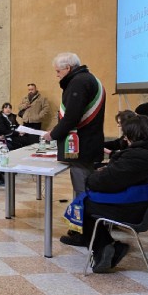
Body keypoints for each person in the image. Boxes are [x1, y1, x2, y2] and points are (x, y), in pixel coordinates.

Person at [62, 115, 148, 273]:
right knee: (88, 201)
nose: (125, 140)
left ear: (134, 135)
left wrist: (94, 175)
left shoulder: (140, 156)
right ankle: (104, 244)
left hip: (137, 211)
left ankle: (103, 249)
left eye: (126, 136)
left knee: (84, 204)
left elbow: (104, 182)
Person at [41, 52, 105, 194]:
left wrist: (53, 134)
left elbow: (71, 116)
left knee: (82, 188)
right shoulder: (90, 79)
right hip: (90, 141)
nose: (57, 75)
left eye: (58, 71)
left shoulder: (78, 82)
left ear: (68, 68)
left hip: (81, 145)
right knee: (87, 184)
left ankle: (82, 208)